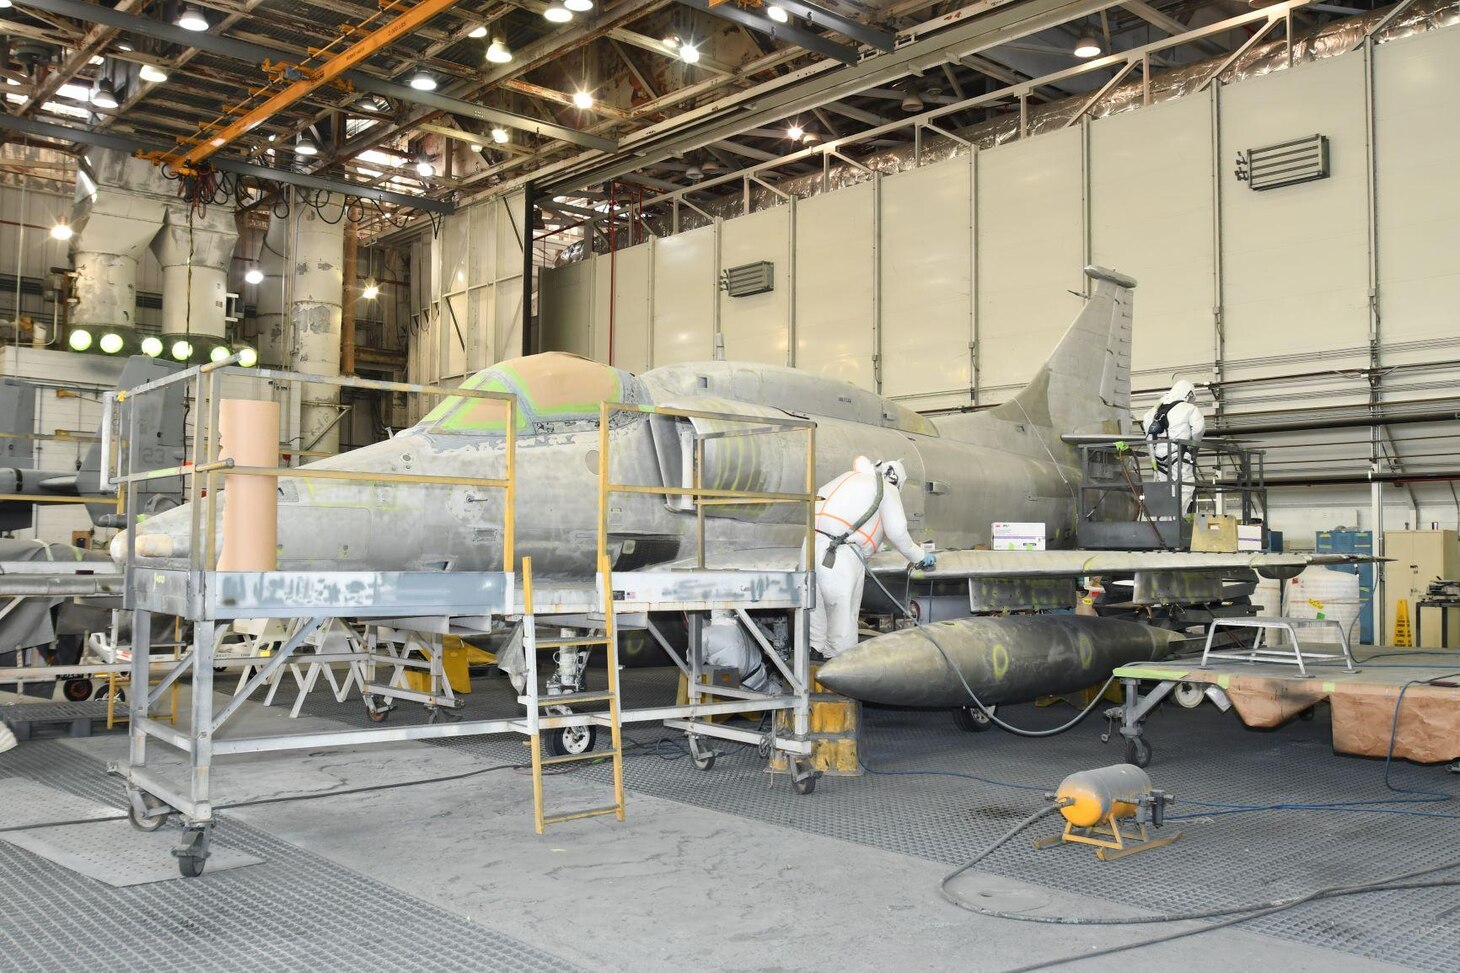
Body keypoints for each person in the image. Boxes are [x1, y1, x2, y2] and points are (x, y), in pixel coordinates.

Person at [810, 456, 934, 660]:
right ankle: (839, 662)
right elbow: (898, 532)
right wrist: (919, 555)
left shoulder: (849, 478)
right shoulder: (886, 488)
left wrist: (873, 542)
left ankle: (813, 651)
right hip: (841, 554)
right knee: (843, 612)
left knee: (815, 607)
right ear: (897, 481)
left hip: (812, 548)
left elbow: (844, 516)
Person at [1142, 379, 1205, 513]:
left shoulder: (1155, 410)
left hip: (1158, 457)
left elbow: (1147, 428)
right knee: (1184, 487)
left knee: (1163, 489)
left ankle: (1162, 523)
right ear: (1188, 394)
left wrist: (1154, 458)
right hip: (1179, 455)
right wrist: (1194, 446)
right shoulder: (1190, 409)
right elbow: (1199, 429)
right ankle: (1178, 520)